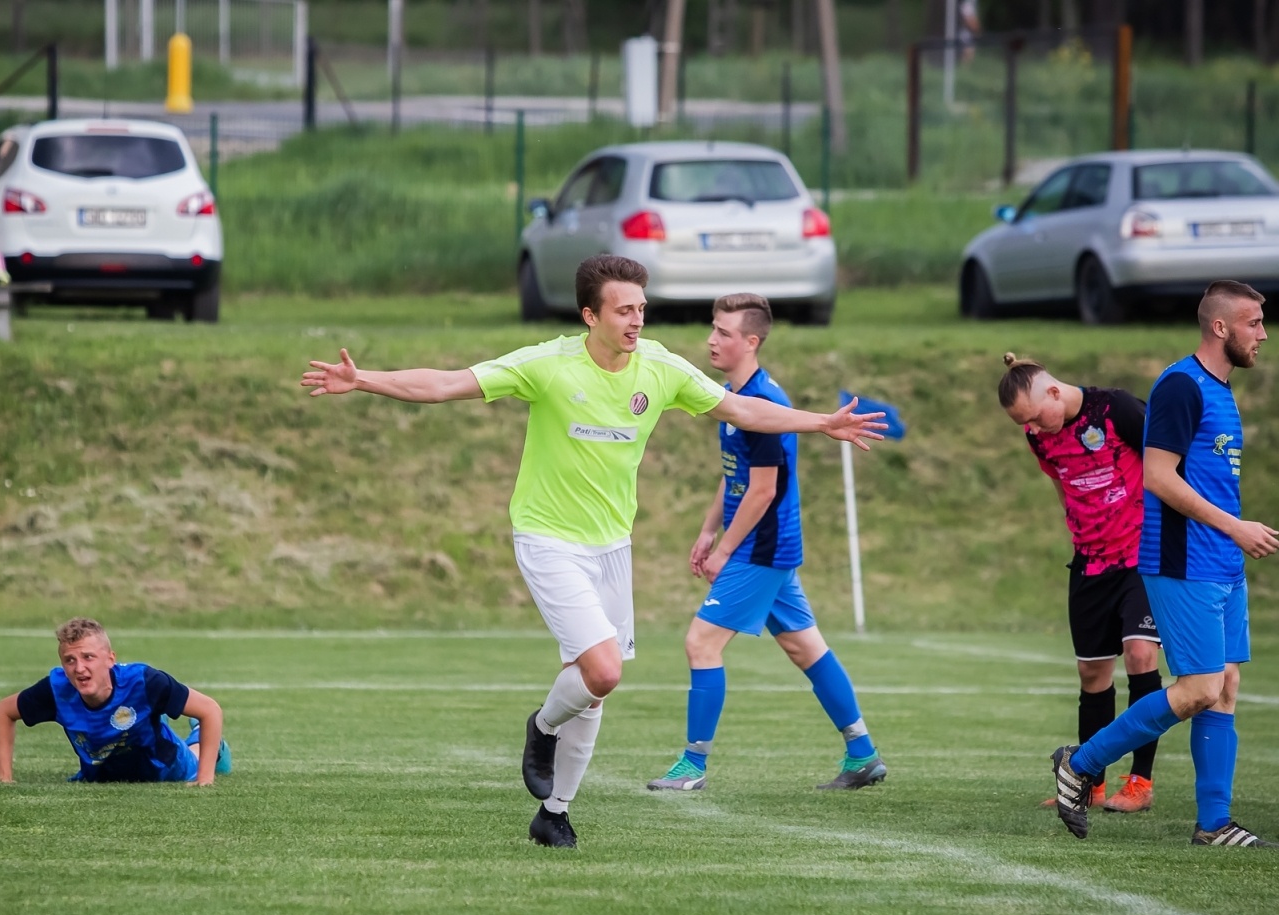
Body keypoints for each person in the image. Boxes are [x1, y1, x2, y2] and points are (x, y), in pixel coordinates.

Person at [300, 254, 886, 848]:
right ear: (590, 315)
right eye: (623, 310)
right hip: (548, 538)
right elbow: (448, 383)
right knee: (602, 671)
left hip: (613, 546)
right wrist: (366, 379)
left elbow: (742, 408)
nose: (637, 321)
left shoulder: (659, 368)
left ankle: (554, 813)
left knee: (588, 681)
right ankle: (541, 726)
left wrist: (819, 423)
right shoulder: (547, 365)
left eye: (641, 308)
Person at [1052, 280, 1278, 847]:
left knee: (1225, 686)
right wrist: (1234, 527)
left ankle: (1214, 824)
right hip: (1183, 561)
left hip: (1222, 562)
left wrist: (1232, 539)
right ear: (1220, 327)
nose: (1263, 334)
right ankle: (1080, 764)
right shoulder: (1182, 385)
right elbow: (1157, 476)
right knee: (1199, 687)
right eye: (1253, 322)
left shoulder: (1222, 391)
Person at [647, 294, 885, 794]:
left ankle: (693, 765)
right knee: (805, 648)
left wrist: (724, 550)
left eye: (725, 333)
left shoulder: (766, 403)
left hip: (762, 547)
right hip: (761, 545)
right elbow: (734, 475)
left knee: (701, 643)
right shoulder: (733, 397)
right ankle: (862, 753)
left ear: (752, 342)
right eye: (713, 329)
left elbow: (763, 490)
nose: (713, 340)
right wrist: (708, 529)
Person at [998, 353, 1162, 814]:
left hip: (1141, 557)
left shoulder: (1116, 410)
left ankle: (1140, 782)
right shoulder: (1041, 438)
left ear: (1053, 392)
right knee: (1093, 675)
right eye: (1022, 425)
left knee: (1140, 653)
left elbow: (1167, 461)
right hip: (1090, 563)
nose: (1032, 430)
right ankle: (1088, 781)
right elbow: (1061, 483)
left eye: (1033, 418)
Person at [0, 617, 231, 785]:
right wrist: (4, 777)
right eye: (69, 660)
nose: (79, 668)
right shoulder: (57, 689)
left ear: (110, 659)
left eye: (88, 657)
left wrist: (205, 779)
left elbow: (210, 709)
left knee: (195, 755)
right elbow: (4, 711)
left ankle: (206, 739)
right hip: (103, 773)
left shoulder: (144, 681)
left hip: (165, 768)